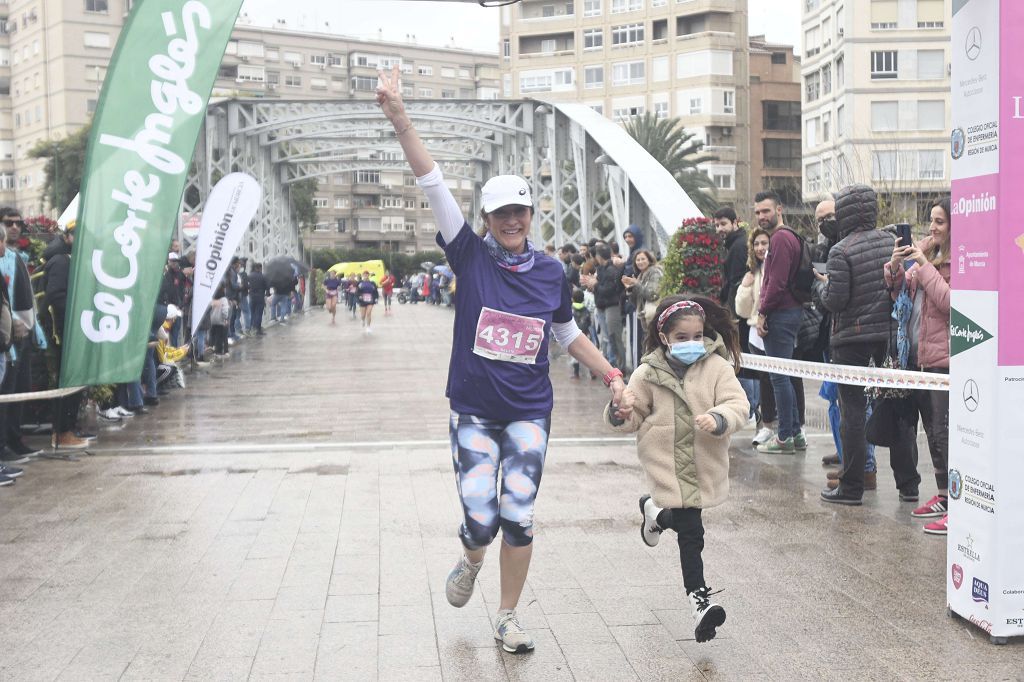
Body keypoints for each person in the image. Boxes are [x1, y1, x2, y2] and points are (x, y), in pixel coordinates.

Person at [377, 64, 625, 655]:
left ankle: (508, 615)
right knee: (482, 518)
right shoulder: (469, 256)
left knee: (519, 513)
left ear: (531, 215)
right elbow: (433, 181)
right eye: (500, 213)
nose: (511, 221)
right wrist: (401, 119)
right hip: (474, 410)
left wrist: (613, 374)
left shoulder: (550, 272)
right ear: (485, 220)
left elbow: (566, 334)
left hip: (529, 412)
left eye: (520, 211)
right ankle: (469, 558)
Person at [608, 295, 748, 643]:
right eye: (682, 337)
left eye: (697, 335)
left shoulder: (717, 367)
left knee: (685, 521)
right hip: (667, 463)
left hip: (702, 461)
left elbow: (739, 405)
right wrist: (620, 412)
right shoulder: (647, 373)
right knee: (692, 532)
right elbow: (632, 413)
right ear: (665, 337)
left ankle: (653, 512)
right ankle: (699, 601)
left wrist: (719, 418)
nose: (691, 344)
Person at [816, 184, 920, 505]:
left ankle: (851, 488)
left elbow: (835, 301)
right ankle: (909, 485)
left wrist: (819, 288)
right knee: (898, 405)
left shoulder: (840, 251)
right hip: (889, 337)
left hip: (851, 341)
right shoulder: (893, 241)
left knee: (854, 413)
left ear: (844, 212)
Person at [884, 197, 952, 534]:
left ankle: (958, 502)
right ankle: (942, 495)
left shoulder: (956, 259)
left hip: (945, 359)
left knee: (945, 432)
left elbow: (949, 302)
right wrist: (895, 267)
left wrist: (924, 264)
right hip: (918, 357)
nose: (933, 227)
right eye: (931, 220)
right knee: (931, 432)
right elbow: (900, 296)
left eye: (940, 221)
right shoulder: (924, 250)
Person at [752, 191, 807, 454]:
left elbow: (776, 282)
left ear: (779, 209)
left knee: (779, 378)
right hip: (788, 312)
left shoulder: (781, 239)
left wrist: (762, 312)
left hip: (781, 314)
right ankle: (795, 433)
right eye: (758, 213)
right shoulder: (788, 237)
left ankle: (784, 437)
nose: (762, 216)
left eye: (766, 211)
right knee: (783, 376)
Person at [582, 243, 626, 371]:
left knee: (614, 337)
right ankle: (615, 365)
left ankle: (621, 366)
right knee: (608, 338)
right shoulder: (601, 269)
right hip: (602, 306)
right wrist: (593, 285)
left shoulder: (611, 270)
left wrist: (595, 284)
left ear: (599, 256)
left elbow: (609, 290)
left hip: (611, 307)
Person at [714, 207, 748, 312]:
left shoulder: (738, 246)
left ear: (734, 223)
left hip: (741, 309)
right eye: (717, 225)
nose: (719, 229)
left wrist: (731, 312)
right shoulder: (733, 244)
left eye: (723, 224)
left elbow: (735, 282)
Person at [570, 288, 593, 379]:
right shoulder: (586, 310)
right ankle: (592, 372)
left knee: (575, 355)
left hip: (574, 336)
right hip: (585, 334)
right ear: (583, 299)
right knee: (588, 354)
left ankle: (576, 373)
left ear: (573, 299)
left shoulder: (570, 309)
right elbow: (589, 323)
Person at [247, 263, 268, 336]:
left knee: (252, 313)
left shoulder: (249, 276)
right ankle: (258, 329)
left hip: (251, 297)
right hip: (260, 297)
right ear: (259, 268)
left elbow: (247, 286)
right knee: (259, 313)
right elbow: (266, 286)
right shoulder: (262, 276)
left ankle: (251, 327)